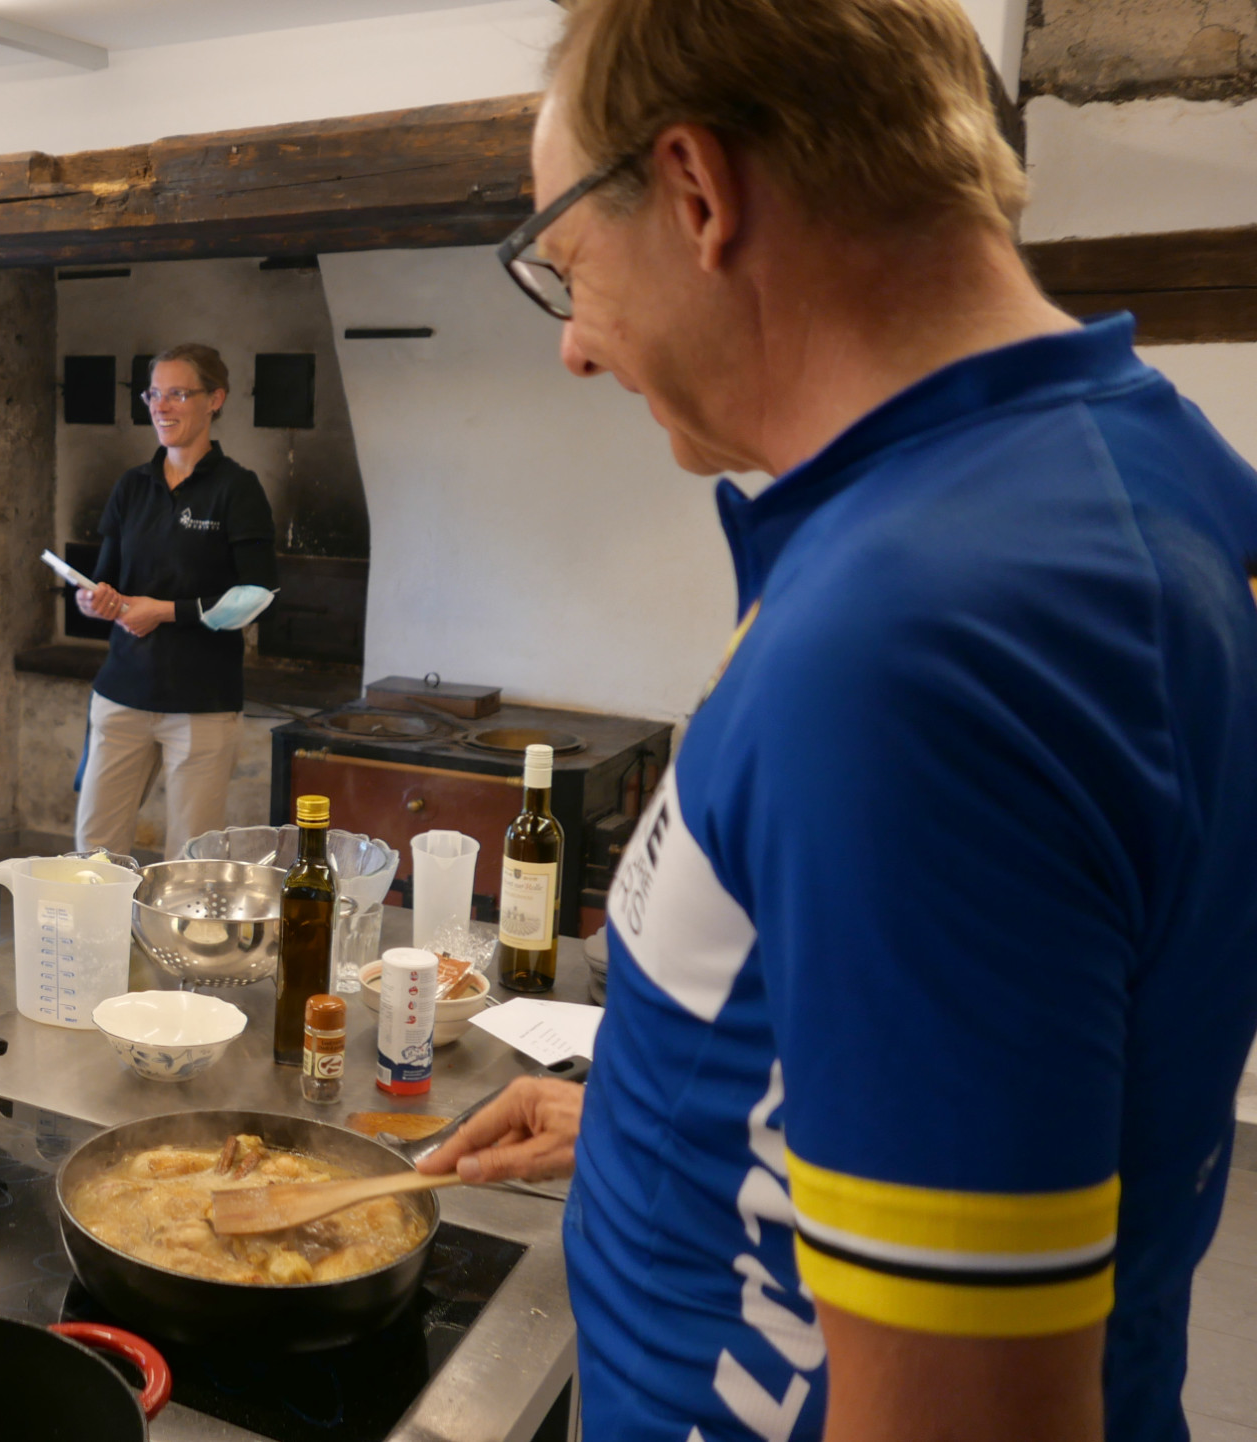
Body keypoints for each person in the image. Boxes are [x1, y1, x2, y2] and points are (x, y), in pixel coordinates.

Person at [414, 3, 1257, 1441]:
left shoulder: (911, 643)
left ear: (696, 191)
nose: (577, 352)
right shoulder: (1125, 471)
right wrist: (649, 1125)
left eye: (567, 269)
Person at [72, 343, 277, 860]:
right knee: (93, 851)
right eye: (154, 394)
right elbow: (105, 581)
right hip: (121, 695)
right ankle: (99, 942)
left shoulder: (238, 490)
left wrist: (163, 611)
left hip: (201, 703)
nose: (162, 406)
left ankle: (179, 944)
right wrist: (95, 600)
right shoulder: (131, 487)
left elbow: (256, 595)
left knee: (190, 859)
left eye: (178, 393)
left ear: (215, 400)